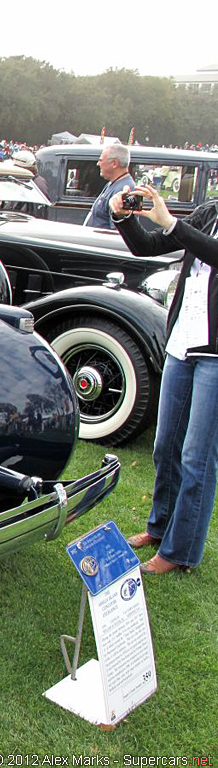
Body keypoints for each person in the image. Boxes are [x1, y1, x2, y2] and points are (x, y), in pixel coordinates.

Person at [109, 182, 218, 574]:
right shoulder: (210, 211)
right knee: (165, 445)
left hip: (215, 354)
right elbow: (149, 246)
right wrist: (124, 217)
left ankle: (179, 552)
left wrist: (171, 222)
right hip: (182, 343)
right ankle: (160, 528)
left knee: (197, 457)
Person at [84, 144, 134, 229]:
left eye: (101, 160)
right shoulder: (112, 184)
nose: (98, 163)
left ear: (114, 163)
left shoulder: (124, 190)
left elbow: (118, 232)